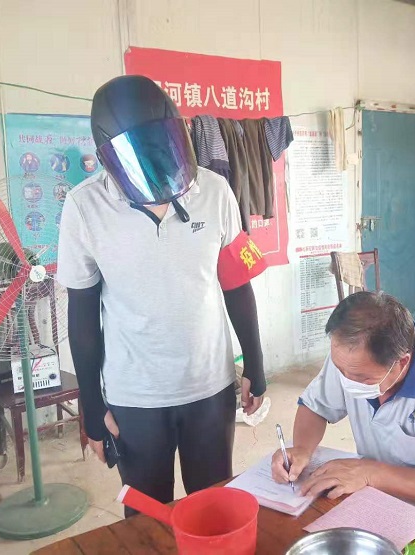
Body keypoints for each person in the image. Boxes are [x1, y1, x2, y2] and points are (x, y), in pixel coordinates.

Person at [57, 75, 267, 514]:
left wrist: (256, 363)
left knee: (212, 508)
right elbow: (82, 315)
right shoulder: (84, 207)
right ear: (108, 154)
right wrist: (91, 405)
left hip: (210, 386)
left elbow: (237, 283)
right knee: (146, 518)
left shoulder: (215, 190)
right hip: (135, 396)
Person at [271, 291, 415, 543]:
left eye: (362, 378)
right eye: (340, 370)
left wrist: (370, 473)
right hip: (382, 499)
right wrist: (302, 450)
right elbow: (315, 407)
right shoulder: (349, 360)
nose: (346, 381)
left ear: (402, 362)